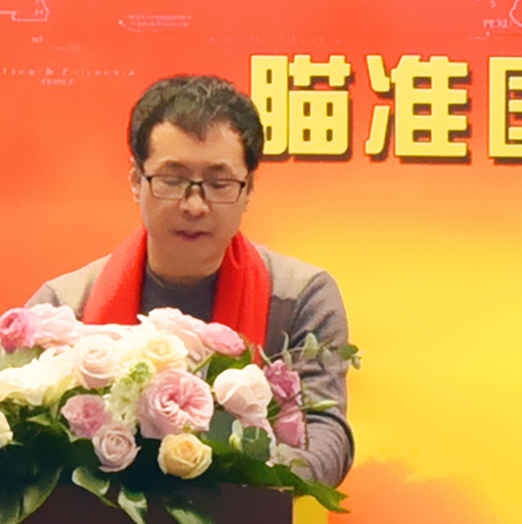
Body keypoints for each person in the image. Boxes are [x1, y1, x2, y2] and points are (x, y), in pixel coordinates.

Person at [26, 75, 353, 487]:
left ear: (249, 189)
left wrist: (233, 481)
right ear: (136, 181)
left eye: (219, 184)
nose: (195, 205)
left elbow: (325, 435)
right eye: (172, 180)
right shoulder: (62, 308)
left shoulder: (301, 297)